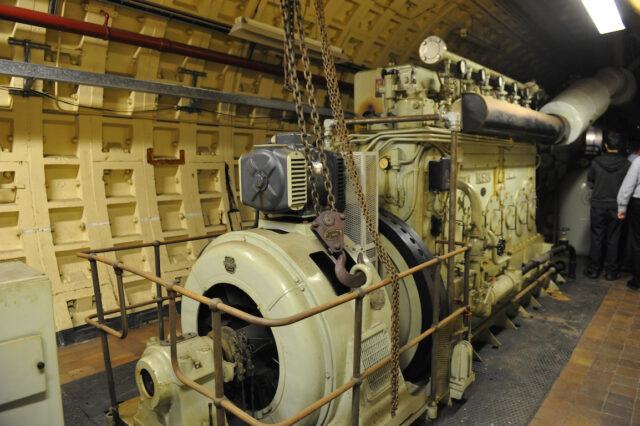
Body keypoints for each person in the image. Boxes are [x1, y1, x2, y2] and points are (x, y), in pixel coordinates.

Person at [585, 129, 630, 280]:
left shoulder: (596, 162)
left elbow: (590, 182)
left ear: (605, 145)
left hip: (598, 205)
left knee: (597, 237)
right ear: (621, 146)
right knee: (614, 238)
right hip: (618, 207)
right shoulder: (626, 164)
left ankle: (593, 270)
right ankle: (611, 272)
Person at [618, 155, 640, 290]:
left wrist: (622, 206)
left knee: (637, 241)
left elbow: (628, 185)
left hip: (639, 203)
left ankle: (638, 279)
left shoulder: (638, 161)